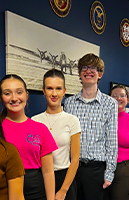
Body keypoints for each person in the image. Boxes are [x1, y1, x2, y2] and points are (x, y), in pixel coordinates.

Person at [64, 53, 118, 200]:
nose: (88, 71)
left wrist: (109, 173)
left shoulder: (110, 103)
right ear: (80, 73)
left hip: (96, 168)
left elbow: (112, 140)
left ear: (100, 74)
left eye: (93, 68)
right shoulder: (69, 103)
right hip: (73, 167)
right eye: (84, 68)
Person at [0, 74, 58, 200]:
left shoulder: (40, 129)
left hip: (36, 190)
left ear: (26, 95)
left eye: (19, 92)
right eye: (7, 93)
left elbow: (48, 172)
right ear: (0, 98)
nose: (14, 98)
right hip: (4, 189)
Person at [32, 69, 81, 200]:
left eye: (58, 88)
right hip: (41, 177)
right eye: (49, 88)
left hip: (64, 178)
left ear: (64, 91)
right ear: (43, 91)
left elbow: (75, 160)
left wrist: (63, 190)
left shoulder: (72, 121)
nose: (54, 93)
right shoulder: (34, 121)